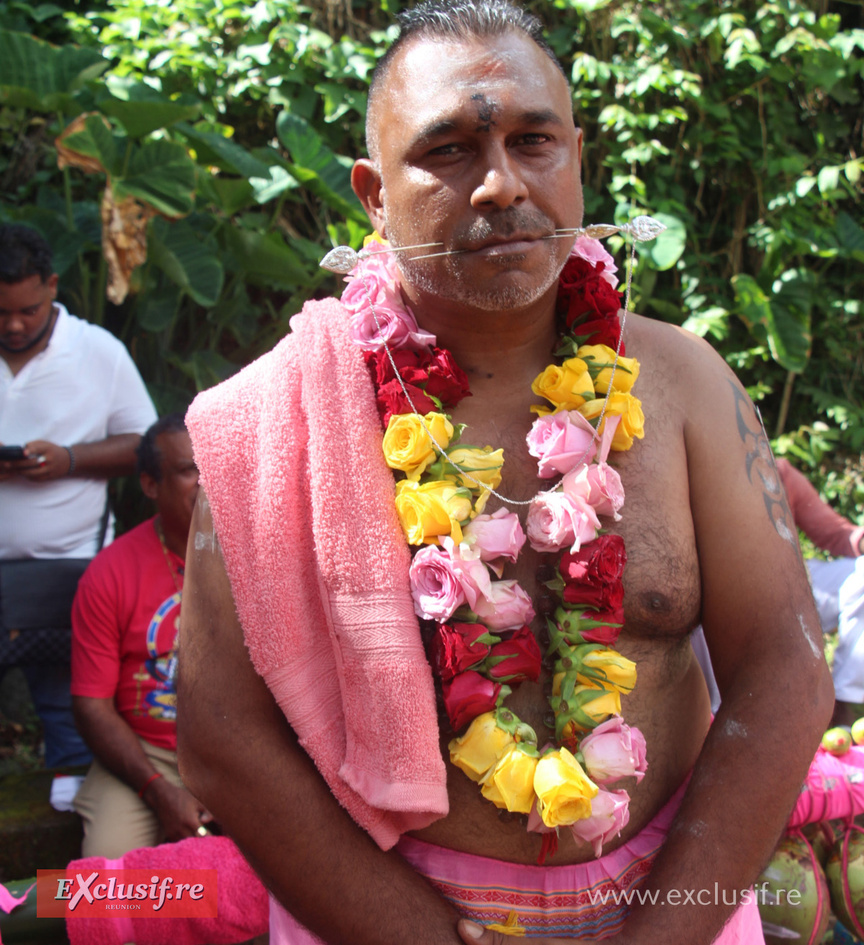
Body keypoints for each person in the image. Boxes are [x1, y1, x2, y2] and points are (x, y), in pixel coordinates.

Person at [177, 3, 834, 944]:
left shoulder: (685, 383)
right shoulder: (273, 421)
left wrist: (667, 931)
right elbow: (222, 738)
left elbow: (784, 670)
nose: (498, 185)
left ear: (577, 157)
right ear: (371, 193)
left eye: (534, 141)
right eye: (446, 150)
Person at [0, 223, 157, 768]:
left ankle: (71, 825)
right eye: (1, 314)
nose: (15, 325)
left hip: (70, 569)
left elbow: (148, 448)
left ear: (52, 286)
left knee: (70, 717)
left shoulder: (97, 351)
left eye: (28, 310)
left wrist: (68, 460)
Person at [70, 413, 212, 857]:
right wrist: (157, 790)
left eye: (214, 465)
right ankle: (23, 913)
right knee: (99, 885)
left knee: (293, 875)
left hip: (240, 748)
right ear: (150, 485)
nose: (207, 483)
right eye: (190, 470)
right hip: (145, 755)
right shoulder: (110, 573)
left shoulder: (258, 558)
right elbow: (91, 705)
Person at [776, 458, 864, 726]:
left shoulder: (776, 470)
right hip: (725, 588)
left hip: (795, 581)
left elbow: (835, 534)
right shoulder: (703, 466)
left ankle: (845, 707)